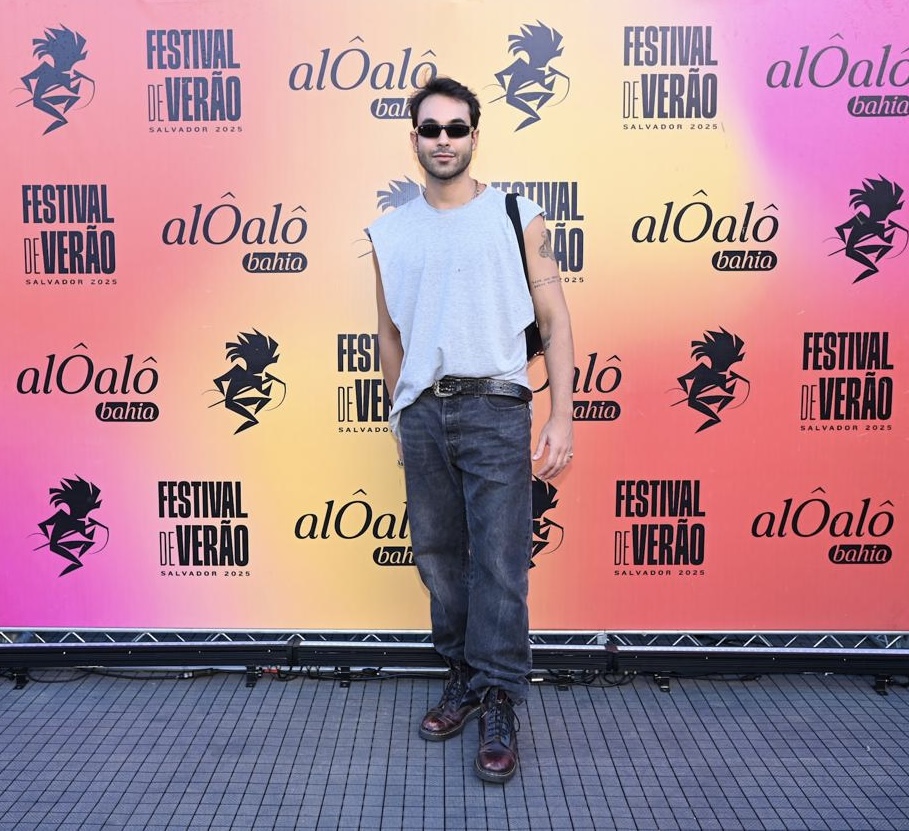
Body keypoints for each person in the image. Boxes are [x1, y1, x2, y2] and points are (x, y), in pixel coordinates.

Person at [368, 76, 574, 784]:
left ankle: (499, 699)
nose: (444, 140)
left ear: (474, 136)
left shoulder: (517, 216)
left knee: (500, 564)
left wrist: (562, 414)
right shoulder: (390, 232)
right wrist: (398, 411)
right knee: (437, 557)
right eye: (431, 129)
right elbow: (388, 335)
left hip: (495, 406)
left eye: (456, 128)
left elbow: (555, 321)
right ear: (415, 139)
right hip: (423, 413)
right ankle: (461, 675)